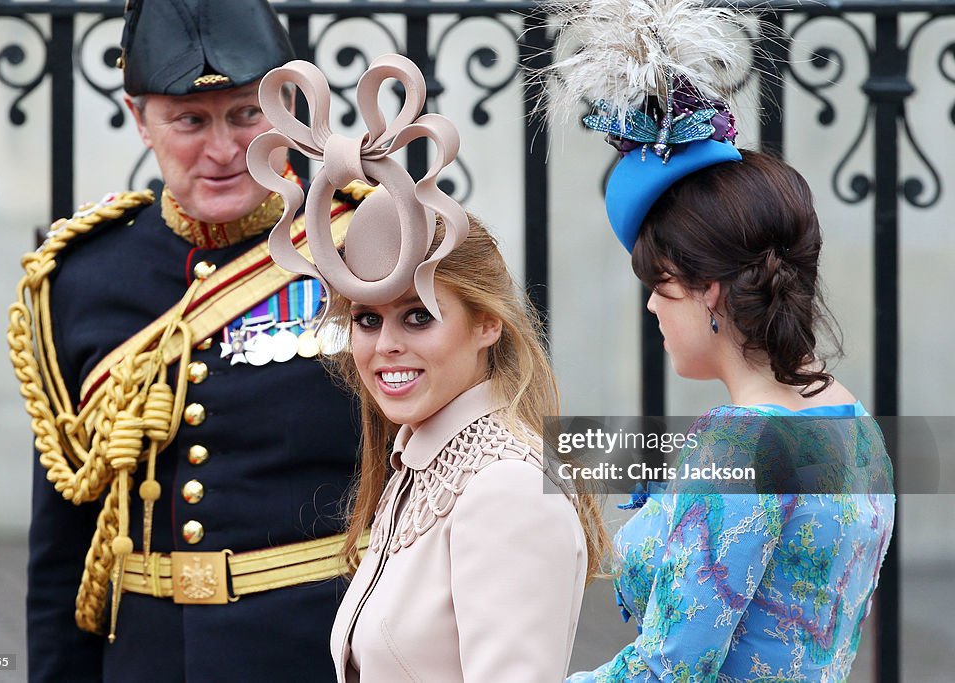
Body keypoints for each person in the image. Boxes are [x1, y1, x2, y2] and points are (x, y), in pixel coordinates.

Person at [7, 1, 365, 680]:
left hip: (320, 651)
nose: (225, 150)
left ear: (288, 102)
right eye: (190, 121)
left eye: (247, 114)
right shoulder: (80, 278)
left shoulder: (363, 242)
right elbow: (62, 549)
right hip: (146, 658)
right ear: (139, 117)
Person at [542, 1, 896, 680]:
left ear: (709, 289)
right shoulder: (855, 425)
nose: (651, 304)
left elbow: (669, 669)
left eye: (663, 283)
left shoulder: (741, 444)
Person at [246, 53, 609, 682]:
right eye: (366, 319)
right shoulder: (421, 462)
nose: (385, 344)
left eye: (418, 317)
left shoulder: (505, 489)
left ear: (488, 322)